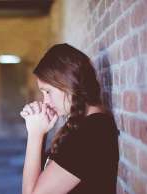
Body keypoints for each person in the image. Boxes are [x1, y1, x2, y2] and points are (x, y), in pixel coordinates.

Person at [20, 43, 119, 194]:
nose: (46, 101)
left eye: (48, 92)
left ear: (68, 85)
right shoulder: (85, 125)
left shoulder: (92, 133)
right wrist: (42, 130)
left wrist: (35, 134)